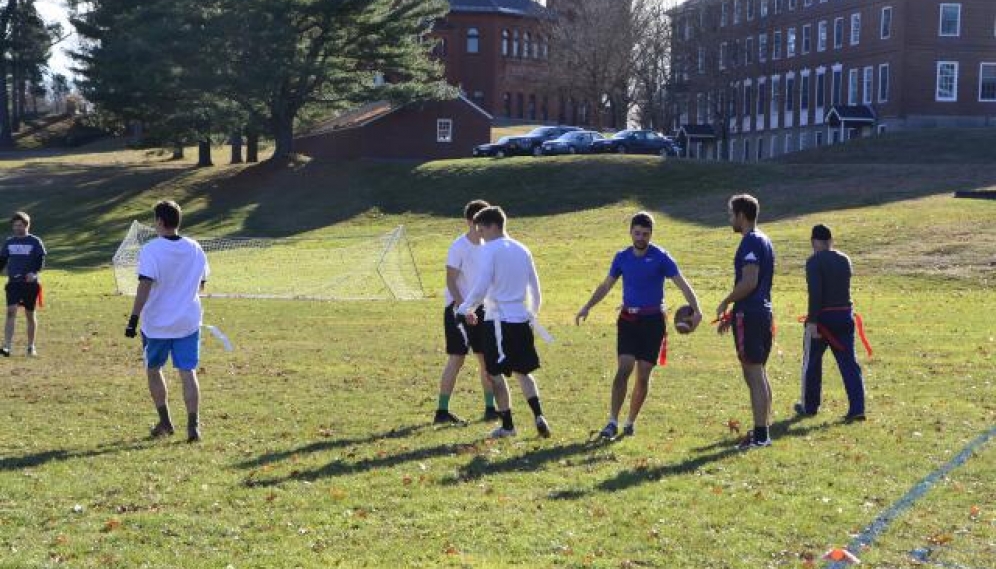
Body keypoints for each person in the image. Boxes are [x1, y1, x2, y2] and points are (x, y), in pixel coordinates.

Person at [576, 212, 703, 439]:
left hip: (653, 322)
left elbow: (683, 284)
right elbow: (605, 285)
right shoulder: (621, 257)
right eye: (637, 233)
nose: (641, 237)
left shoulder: (661, 257)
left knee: (643, 375)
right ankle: (612, 421)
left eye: (645, 234)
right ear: (631, 232)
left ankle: (630, 422)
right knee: (623, 370)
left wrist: (698, 310)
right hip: (628, 321)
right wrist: (587, 306)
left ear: (651, 234)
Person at [456, 206, 550, 439]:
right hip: (521, 320)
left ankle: (508, 424)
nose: (480, 235)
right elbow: (535, 289)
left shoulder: (490, 250)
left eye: (481, 229)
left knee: (494, 374)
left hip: (497, 321)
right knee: (523, 372)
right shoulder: (522, 249)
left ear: (494, 226)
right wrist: (531, 314)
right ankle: (538, 415)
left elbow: (482, 285)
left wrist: (465, 308)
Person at [125, 200, 210, 443]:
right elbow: (202, 283)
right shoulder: (195, 247)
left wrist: (133, 318)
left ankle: (165, 421)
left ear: (160, 222)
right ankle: (193, 426)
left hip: (157, 324)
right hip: (188, 321)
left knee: (153, 369)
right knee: (187, 371)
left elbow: (144, 285)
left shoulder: (151, 250)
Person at [716, 194, 776, 449]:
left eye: (731, 214)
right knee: (759, 372)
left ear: (742, 215)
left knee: (753, 373)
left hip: (750, 315)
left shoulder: (750, 242)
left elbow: (750, 281)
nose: (730, 219)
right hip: (762, 313)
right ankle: (764, 428)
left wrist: (727, 301)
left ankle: (761, 435)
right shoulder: (765, 240)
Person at [435, 199, 497, 424]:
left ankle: (490, 408)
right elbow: (451, 280)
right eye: (480, 222)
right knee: (457, 358)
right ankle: (441, 412)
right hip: (458, 310)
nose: (483, 228)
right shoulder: (458, 246)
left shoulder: (489, 247)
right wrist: (464, 307)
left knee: (485, 359)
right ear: (470, 222)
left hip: (481, 310)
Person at [796, 224, 866, 422]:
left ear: (814, 242)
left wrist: (812, 321)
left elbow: (815, 293)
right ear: (830, 240)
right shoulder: (845, 260)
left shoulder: (814, 262)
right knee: (849, 364)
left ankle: (809, 406)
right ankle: (857, 407)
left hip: (823, 319)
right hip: (845, 316)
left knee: (812, 363)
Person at [1, 212, 46, 357]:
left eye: (19, 225)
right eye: (14, 225)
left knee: (29, 314)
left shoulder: (35, 241)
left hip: (29, 284)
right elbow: (1, 261)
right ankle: (7, 346)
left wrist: (34, 273)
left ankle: (31, 346)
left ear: (27, 226)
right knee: (11, 311)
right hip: (14, 283)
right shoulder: (9, 242)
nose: (16, 228)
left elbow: (40, 260)